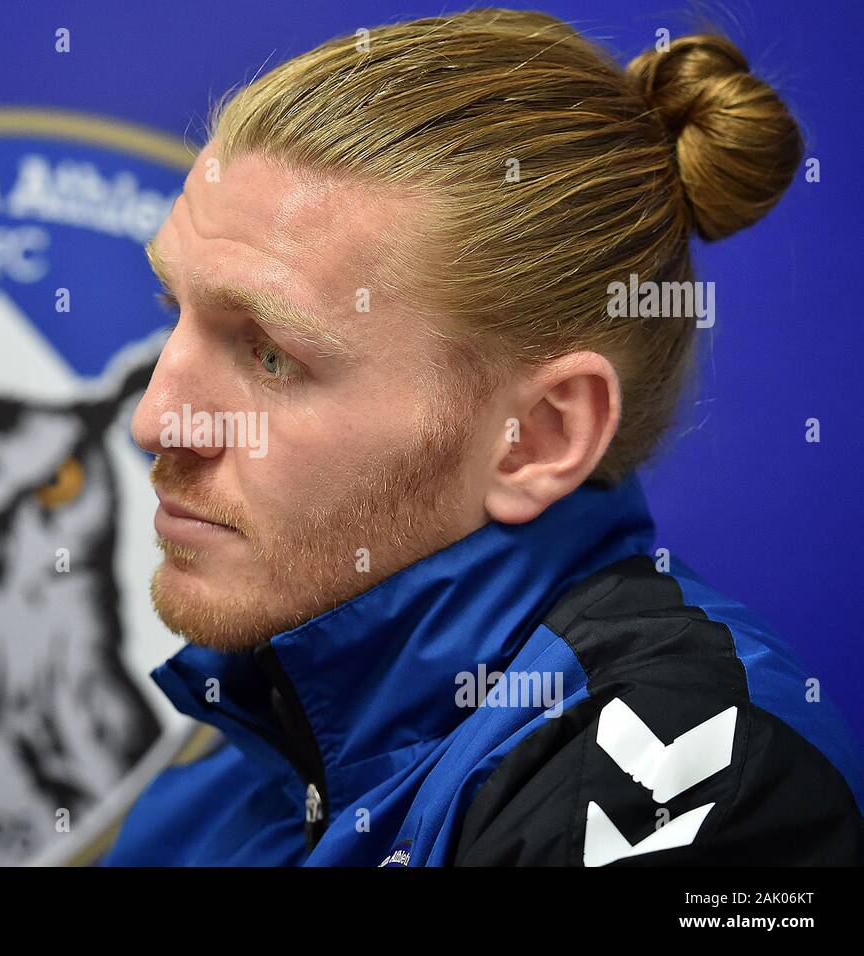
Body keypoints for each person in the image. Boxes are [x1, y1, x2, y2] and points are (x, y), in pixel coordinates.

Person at [101, 8, 864, 865]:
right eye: (176, 312)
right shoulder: (210, 801)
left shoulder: (700, 778)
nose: (155, 421)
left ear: (537, 437)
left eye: (274, 356)